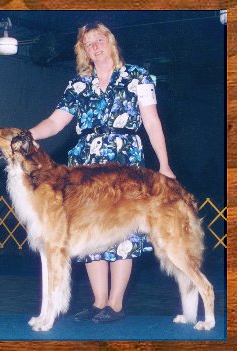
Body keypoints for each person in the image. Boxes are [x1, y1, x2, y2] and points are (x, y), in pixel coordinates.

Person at [29, 22, 176, 323]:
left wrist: (164, 164)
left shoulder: (138, 77)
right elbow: (56, 123)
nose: (95, 46)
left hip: (125, 161)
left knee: (123, 231)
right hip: (86, 163)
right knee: (89, 231)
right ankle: (98, 302)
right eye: (88, 42)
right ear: (83, 50)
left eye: (99, 40)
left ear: (110, 42)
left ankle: (116, 304)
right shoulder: (78, 84)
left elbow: (151, 122)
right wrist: (26, 135)